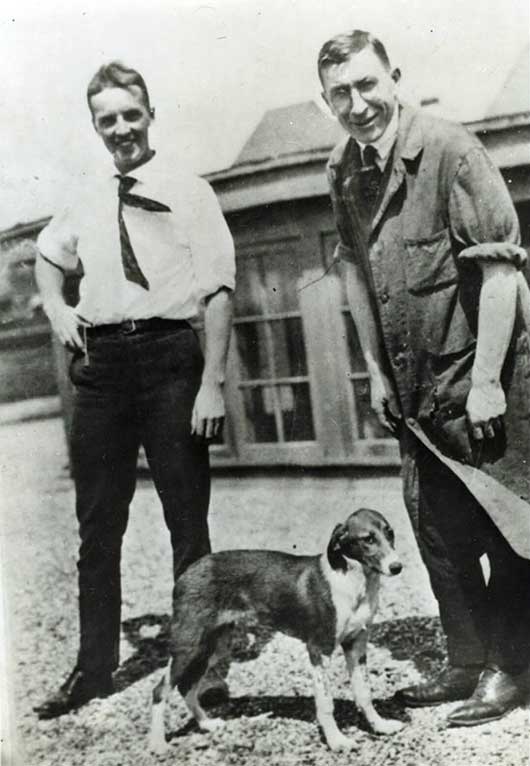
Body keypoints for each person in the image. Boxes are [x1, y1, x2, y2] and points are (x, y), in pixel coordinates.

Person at [318, 29, 530, 726]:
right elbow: (355, 272)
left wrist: (488, 382)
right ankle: (467, 661)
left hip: (483, 377)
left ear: (394, 78)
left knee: (510, 527)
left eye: (367, 84)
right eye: (341, 93)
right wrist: (375, 371)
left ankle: (511, 669)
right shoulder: (342, 170)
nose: (358, 104)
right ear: (326, 100)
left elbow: (500, 271)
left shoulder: (450, 150)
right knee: (439, 533)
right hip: (416, 393)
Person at [33, 62, 235, 719]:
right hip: (101, 368)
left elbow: (219, 291)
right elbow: (48, 257)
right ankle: (93, 669)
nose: (121, 128)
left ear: (150, 114)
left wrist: (212, 384)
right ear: (95, 127)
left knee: (187, 520)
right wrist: (57, 308)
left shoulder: (189, 191)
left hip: (170, 357)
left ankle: (200, 670)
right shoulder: (86, 194)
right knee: (98, 524)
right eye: (107, 119)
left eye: (131, 114)